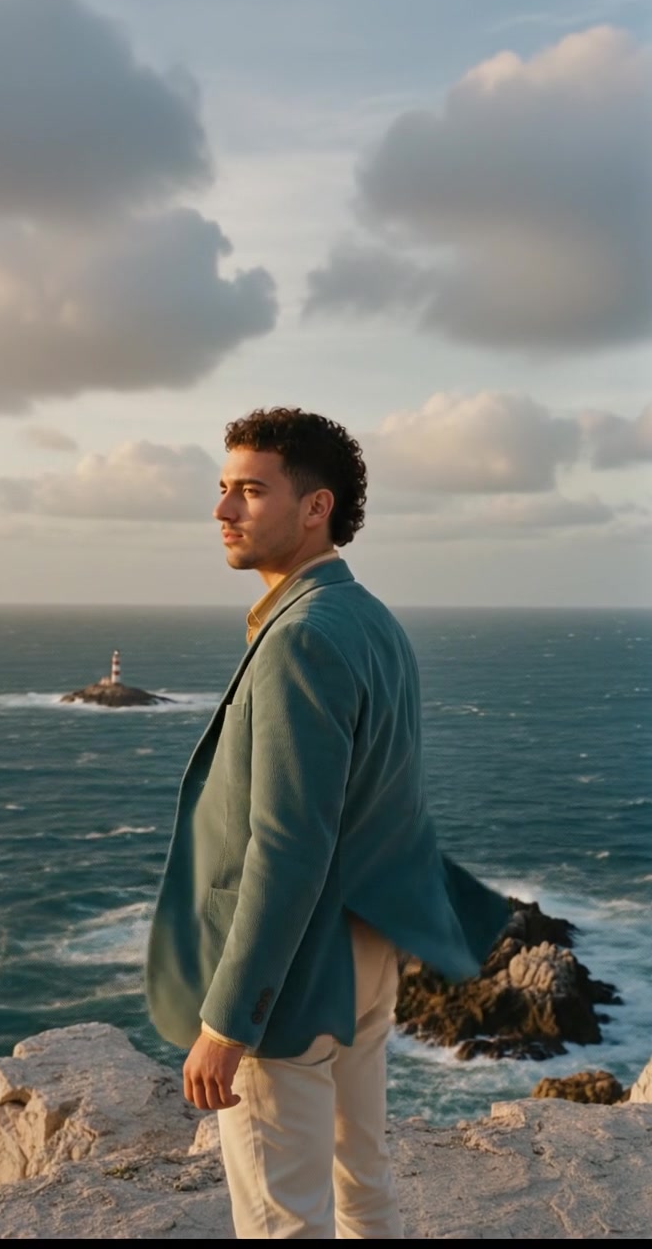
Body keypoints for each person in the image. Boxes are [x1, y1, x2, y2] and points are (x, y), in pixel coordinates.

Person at [146, 407, 509, 1239]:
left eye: (250, 490)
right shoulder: (371, 618)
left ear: (317, 507)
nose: (223, 511)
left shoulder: (301, 637)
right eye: (222, 489)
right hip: (364, 948)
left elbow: (286, 844)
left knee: (284, 1215)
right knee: (361, 1176)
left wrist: (226, 1020)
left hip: (296, 975)